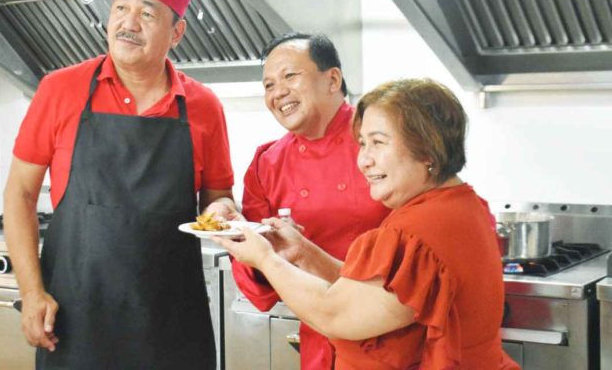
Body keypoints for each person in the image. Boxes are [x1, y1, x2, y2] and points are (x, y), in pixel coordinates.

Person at [3, 0, 238, 369]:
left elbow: (218, 197)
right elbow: (19, 193)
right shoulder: (60, 90)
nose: (127, 23)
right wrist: (32, 292)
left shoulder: (203, 107)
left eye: (147, 13)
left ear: (177, 32)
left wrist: (224, 212)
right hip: (75, 324)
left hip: (172, 326)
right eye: (120, 7)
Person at [217, 79, 520, 369]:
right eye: (363, 143)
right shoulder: (463, 204)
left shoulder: (414, 231)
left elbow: (334, 313)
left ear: (428, 150)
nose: (364, 160)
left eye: (378, 142)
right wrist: (303, 252)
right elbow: (376, 293)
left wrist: (265, 258)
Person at [231, 32, 391, 369]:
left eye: (290, 76)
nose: (278, 93)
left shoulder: (382, 141)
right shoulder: (266, 163)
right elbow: (256, 282)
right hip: (320, 343)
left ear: (332, 79)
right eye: (269, 85)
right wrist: (258, 250)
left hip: (392, 338)